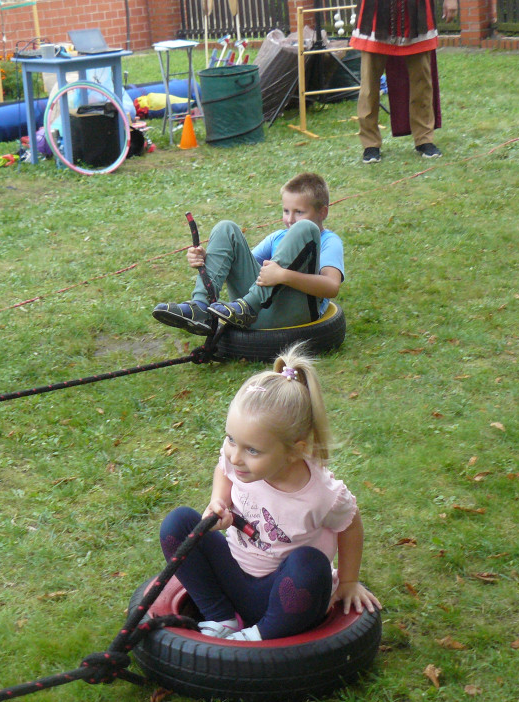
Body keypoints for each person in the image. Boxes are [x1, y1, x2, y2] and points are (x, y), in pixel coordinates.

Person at [158, 343, 380, 641]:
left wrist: (349, 581)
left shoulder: (322, 494)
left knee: (309, 565)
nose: (236, 456)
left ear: (294, 452)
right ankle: (221, 616)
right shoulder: (240, 464)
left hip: (285, 594)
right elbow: (223, 468)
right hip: (234, 575)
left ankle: (262, 635)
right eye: (231, 439)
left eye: (252, 449)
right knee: (179, 524)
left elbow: (350, 524)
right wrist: (219, 500)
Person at [152, 173, 343, 333]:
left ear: (323, 212)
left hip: (296, 313)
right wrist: (204, 259)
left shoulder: (329, 241)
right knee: (226, 228)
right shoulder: (277, 237)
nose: (290, 219)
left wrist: (284, 275)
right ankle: (200, 307)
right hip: (260, 311)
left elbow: (331, 287)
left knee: (306, 229)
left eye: (299, 212)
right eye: (286, 211)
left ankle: (248, 306)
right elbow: (238, 264)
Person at [349, 0, 459, 163]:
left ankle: (424, 139)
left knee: (422, 82)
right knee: (369, 84)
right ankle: (370, 144)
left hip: (416, 12)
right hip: (376, 13)